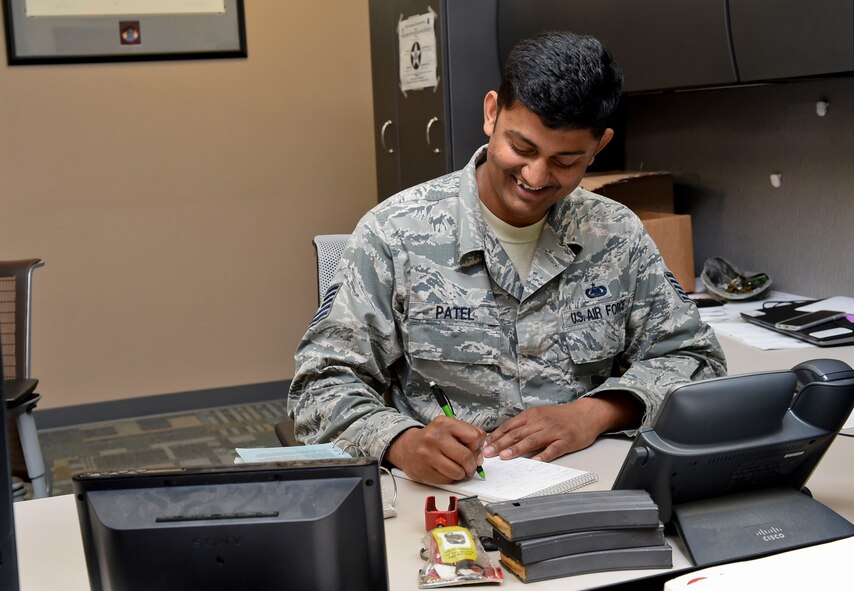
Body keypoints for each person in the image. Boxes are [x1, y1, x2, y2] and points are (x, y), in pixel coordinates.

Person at [287, 31, 726, 485]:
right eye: (523, 148)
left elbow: (695, 359)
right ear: (492, 112)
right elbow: (320, 387)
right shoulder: (394, 234)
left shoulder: (616, 235)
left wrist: (592, 414)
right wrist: (400, 442)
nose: (536, 177)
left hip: (592, 483)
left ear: (599, 146)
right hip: (445, 495)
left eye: (566, 160)